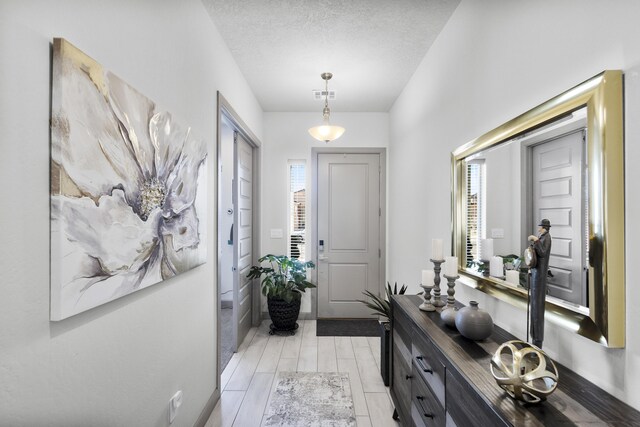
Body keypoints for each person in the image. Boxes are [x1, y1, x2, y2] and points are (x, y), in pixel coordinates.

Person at [528, 219, 552, 348]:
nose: (538, 229)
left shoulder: (546, 238)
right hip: (536, 272)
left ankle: (537, 342)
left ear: (544, 228)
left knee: (537, 306)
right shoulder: (542, 236)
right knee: (534, 305)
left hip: (540, 275)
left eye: (540, 227)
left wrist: (535, 241)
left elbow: (542, 252)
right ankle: (534, 338)